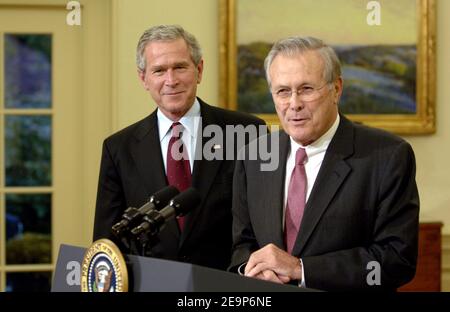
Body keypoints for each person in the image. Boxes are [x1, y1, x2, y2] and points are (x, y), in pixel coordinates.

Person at [230, 36, 419, 291]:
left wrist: (301, 269)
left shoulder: (387, 156)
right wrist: (250, 270)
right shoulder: (253, 156)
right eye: (283, 91)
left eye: (306, 89)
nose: (294, 104)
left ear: (336, 89)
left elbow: (397, 260)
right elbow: (242, 246)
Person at [93, 24, 265, 270]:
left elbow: (263, 226)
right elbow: (107, 243)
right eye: (159, 70)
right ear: (143, 78)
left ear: (199, 70)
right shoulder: (119, 148)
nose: (171, 80)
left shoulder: (248, 133)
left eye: (180, 67)